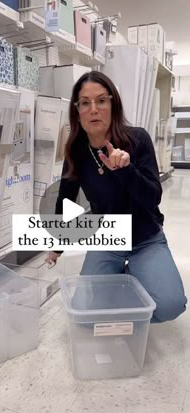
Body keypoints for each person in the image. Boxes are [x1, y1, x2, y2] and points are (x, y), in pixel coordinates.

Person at [46, 70, 187, 323]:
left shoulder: (138, 139)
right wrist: (57, 245)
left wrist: (126, 170)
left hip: (146, 238)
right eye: (85, 103)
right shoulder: (76, 151)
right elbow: (66, 199)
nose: (94, 109)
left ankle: (132, 277)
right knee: (86, 315)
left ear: (113, 104)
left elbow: (153, 197)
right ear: (77, 111)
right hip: (108, 238)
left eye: (101, 100)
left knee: (170, 306)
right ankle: (124, 281)